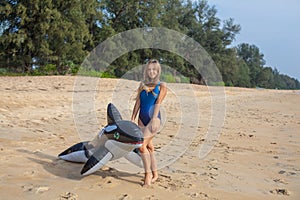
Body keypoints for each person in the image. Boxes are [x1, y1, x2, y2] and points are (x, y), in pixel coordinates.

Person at [131, 59, 167, 186]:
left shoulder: (161, 86)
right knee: (149, 147)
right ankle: (155, 173)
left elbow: (157, 103)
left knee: (141, 146)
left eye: (154, 70)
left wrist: (153, 119)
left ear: (158, 71)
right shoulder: (142, 85)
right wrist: (132, 118)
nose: (151, 72)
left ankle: (148, 175)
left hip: (154, 119)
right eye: (149, 69)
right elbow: (138, 103)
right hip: (141, 118)